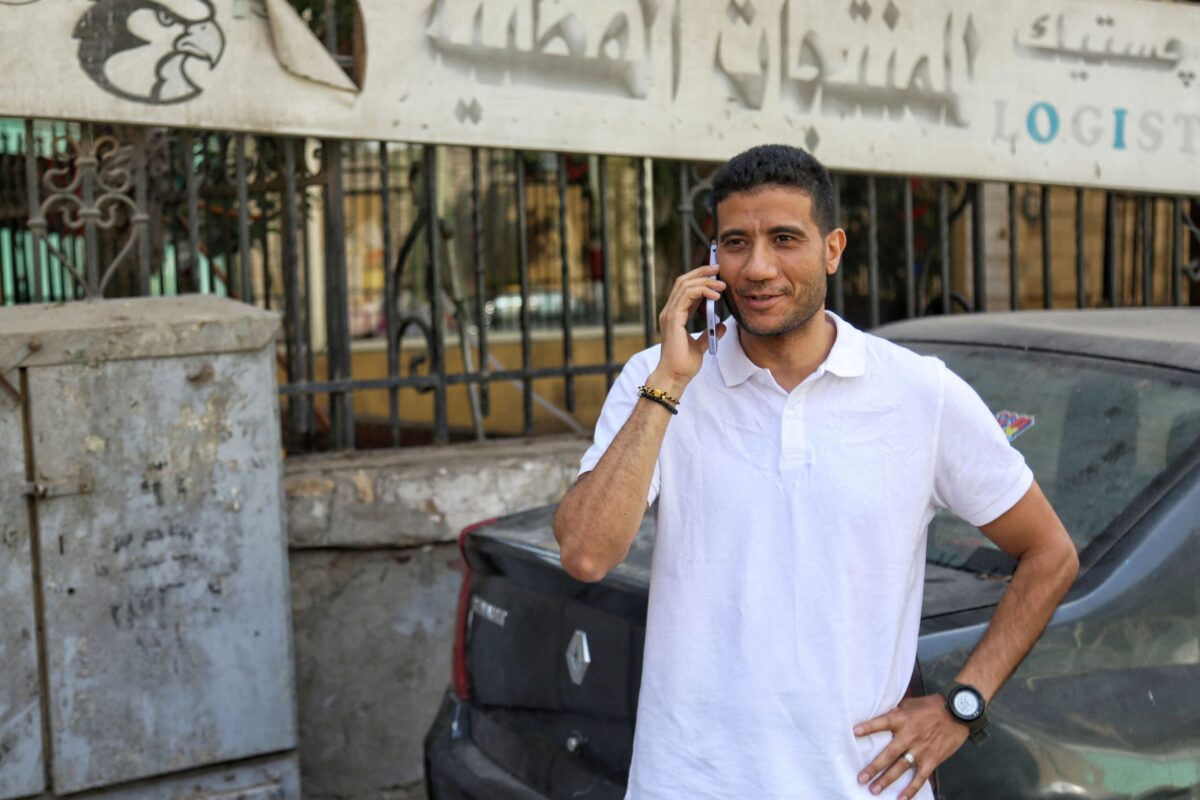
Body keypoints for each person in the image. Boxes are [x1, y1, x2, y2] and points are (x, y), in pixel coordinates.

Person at [552, 144, 1079, 800]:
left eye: (784, 239)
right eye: (735, 242)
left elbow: (1050, 554)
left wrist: (962, 707)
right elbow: (585, 554)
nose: (757, 267)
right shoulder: (657, 379)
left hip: (860, 786)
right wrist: (668, 384)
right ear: (712, 258)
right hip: (689, 783)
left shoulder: (920, 392)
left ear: (832, 249)